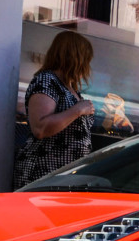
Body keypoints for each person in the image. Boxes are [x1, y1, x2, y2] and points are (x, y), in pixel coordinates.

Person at [14, 30, 130, 188]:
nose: (87, 66)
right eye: (85, 59)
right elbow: (40, 128)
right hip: (45, 173)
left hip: (66, 176)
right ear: (74, 58)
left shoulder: (69, 87)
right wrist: (78, 110)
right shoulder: (47, 80)